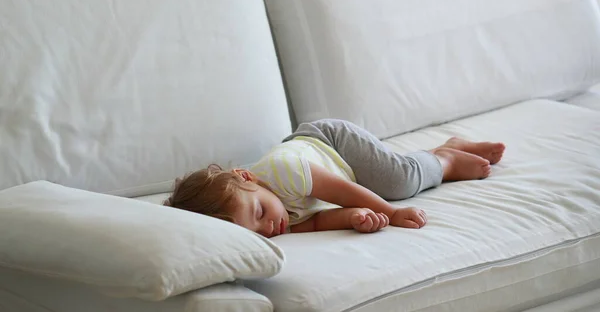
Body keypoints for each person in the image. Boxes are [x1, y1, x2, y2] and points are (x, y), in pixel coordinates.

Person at [164, 119, 505, 238]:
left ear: (246, 176)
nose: (267, 228)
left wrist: (391, 211)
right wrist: (355, 218)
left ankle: (445, 157)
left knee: (396, 182)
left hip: (332, 142)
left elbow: (343, 190)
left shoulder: (283, 172)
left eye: (258, 213)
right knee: (383, 188)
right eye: (254, 232)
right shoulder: (271, 226)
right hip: (326, 165)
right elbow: (314, 223)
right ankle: (443, 152)